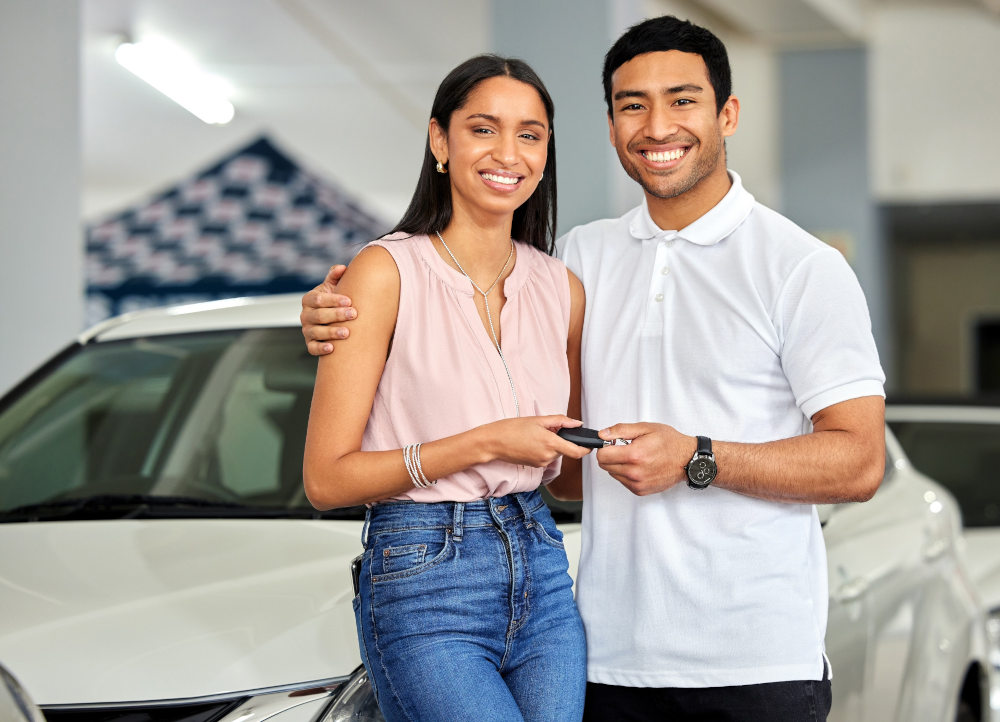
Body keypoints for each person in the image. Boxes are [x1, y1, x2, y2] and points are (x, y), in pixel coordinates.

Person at [301, 16, 885, 722]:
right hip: (604, 653)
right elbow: (567, 463)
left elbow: (858, 463)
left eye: (683, 100)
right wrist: (327, 310)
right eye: (632, 105)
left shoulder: (801, 267)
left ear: (727, 113)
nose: (657, 125)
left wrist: (697, 456)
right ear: (610, 129)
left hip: (754, 661)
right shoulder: (576, 264)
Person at [301, 54, 589, 721]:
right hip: (424, 572)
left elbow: (566, 477)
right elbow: (326, 479)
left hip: (542, 569)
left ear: (546, 152)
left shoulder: (562, 288)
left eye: (530, 134)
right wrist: (487, 443)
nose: (508, 152)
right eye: (483, 128)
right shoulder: (383, 272)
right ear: (440, 140)